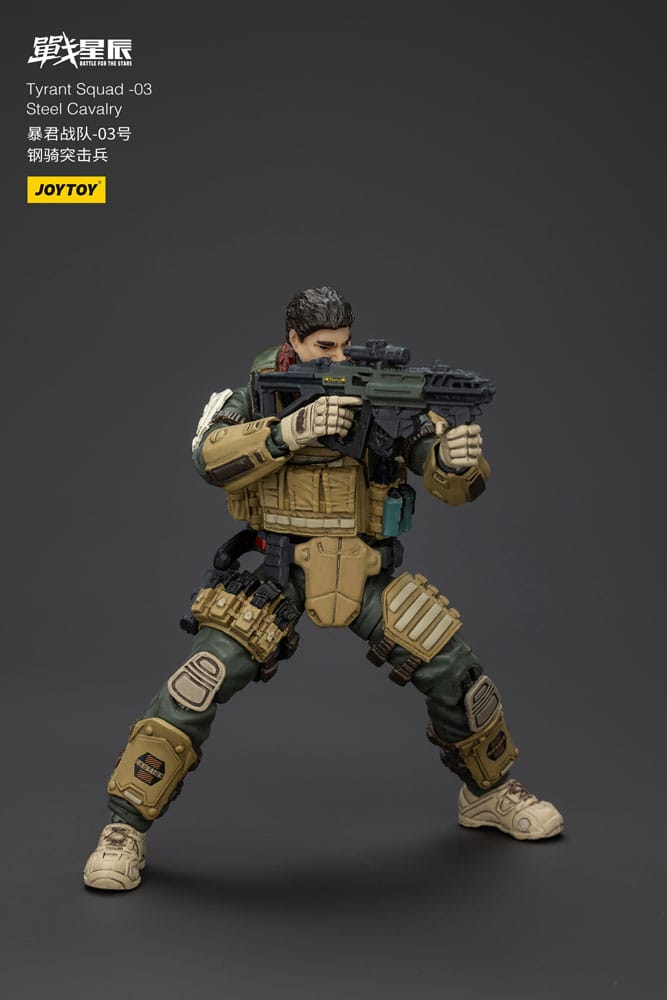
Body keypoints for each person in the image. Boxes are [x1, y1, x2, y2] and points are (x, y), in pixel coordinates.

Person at [83, 285, 563, 891]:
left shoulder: (382, 393)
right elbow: (209, 458)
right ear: (294, 340)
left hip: (364, 569)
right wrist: (288, 432)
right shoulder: (257, 391)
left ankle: (488, 793)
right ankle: (123, 828)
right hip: (280, 571)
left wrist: (455, 460)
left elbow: (448, 479)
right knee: (197, 683)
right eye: (323, 347)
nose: (338, 357)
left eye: (344, 345)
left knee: (455, 671)